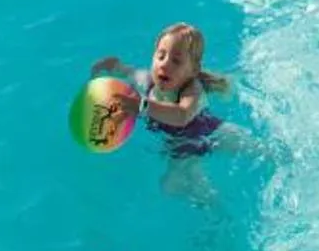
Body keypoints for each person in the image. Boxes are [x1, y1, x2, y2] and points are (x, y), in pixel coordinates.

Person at [93, 23, 229, 155]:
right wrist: (114, 65)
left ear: (193, 70)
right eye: (161, 56)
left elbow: (183, 115)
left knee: (247, 147)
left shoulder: (191, 88)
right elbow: (129, 72)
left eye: (176, 61)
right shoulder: (147, 81)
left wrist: (142, 105)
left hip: (206, 132)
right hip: (176, 143)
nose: (164, 64)